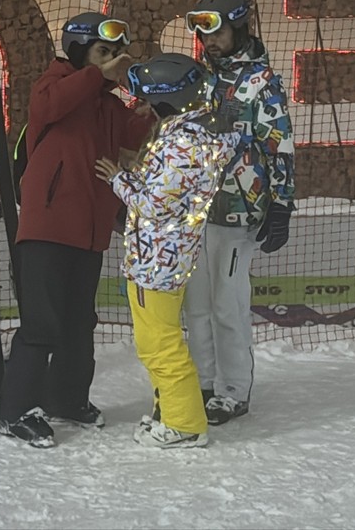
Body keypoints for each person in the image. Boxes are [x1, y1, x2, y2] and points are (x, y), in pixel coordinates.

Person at [0, 12, 156, 448]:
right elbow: (49, 108)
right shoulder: (54, 84)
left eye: (114, 55)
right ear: (80, 50)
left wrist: (145, 111)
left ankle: (65, 398)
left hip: (89, 232)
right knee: (41, 324)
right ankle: (15, 411)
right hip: (48, 228)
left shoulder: (106, 103)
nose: (110, 62)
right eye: (102, 52)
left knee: (78, 322)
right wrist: (96, 74)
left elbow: (129, 138)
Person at [94, 53, 241, 448]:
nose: (140, 104)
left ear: (165, 99)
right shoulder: (192, 132)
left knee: (159, 344)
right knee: (158, 340)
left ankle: (186, 424)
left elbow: (155, 204)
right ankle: (169, 412)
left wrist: (119, 180)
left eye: (147, 98)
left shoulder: (182, 143)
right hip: (166, 252)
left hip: (156, 257)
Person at [182, 0, 296, 425]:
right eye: (204, 34)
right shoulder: (199, 78)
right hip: (195, 208)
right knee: (196, 304)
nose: (210, 41)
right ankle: (204, 381)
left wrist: (281, 205)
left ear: (240, 29)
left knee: (227, 303)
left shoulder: (261, 81)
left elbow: (279, 147)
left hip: (239, 209)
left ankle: (233, 390)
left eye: (219, 32)